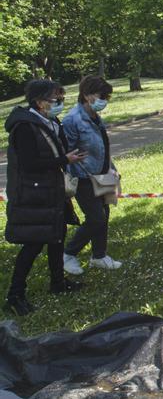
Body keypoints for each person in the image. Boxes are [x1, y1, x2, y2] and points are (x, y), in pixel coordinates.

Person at [4, 80, 87, 315]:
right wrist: (65, 160)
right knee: (34, 242)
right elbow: (30, 164)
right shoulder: (24, 126)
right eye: (55, 100)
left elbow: (57, 149)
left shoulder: (48, 120)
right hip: (33, 191)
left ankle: (58, 283)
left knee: (57, 235)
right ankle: (15, 294)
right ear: (39, 102)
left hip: (51, 188)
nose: (60, 103)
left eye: (61, 98)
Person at [61, 76, 124, 275]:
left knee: (104, 215)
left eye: (107, 96)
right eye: (101, 96)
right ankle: (67, 254)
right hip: (83, 178)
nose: (105, 100)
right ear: (87, 96)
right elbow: (66, 153)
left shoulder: (96, 117)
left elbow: (103, 147)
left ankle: (99, 256)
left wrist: (112, 168)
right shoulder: (73, 120)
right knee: (96, 217)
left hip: (102, 175)